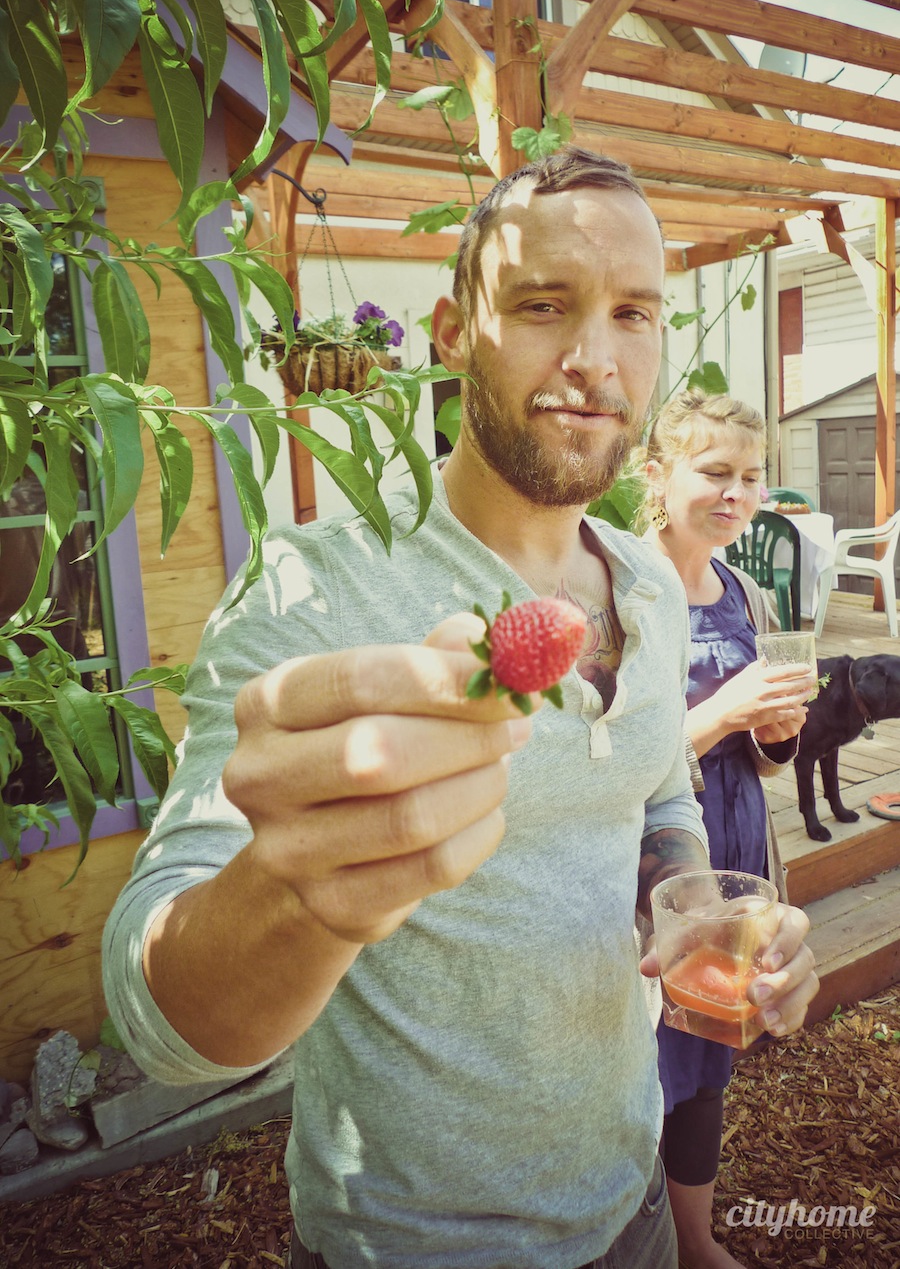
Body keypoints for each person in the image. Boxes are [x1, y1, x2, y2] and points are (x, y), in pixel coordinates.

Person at [102, 150, 818, 1269]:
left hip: (630, 1207)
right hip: (408, 1243)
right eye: (544, 305)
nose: (592, 358)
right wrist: (296, 897)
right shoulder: (318, 585)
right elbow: (160, 1027)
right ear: (450, 332)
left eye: (633, 312)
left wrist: (695, 906)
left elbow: (660, 788)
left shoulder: (646, 581)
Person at [641, 389, 817, 1269]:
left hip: (737, 846)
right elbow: (603, 757)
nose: (736, 493)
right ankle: (636, 1233)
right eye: (714, 472)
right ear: (656, 476)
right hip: (656, 871)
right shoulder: (622, 589)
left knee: (710, 1047)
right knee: (652, 1055)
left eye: (752, 477)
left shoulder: (742, 588)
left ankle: (695, 1239)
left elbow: (765, 755)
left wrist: (774, 735)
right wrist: (723, 712)